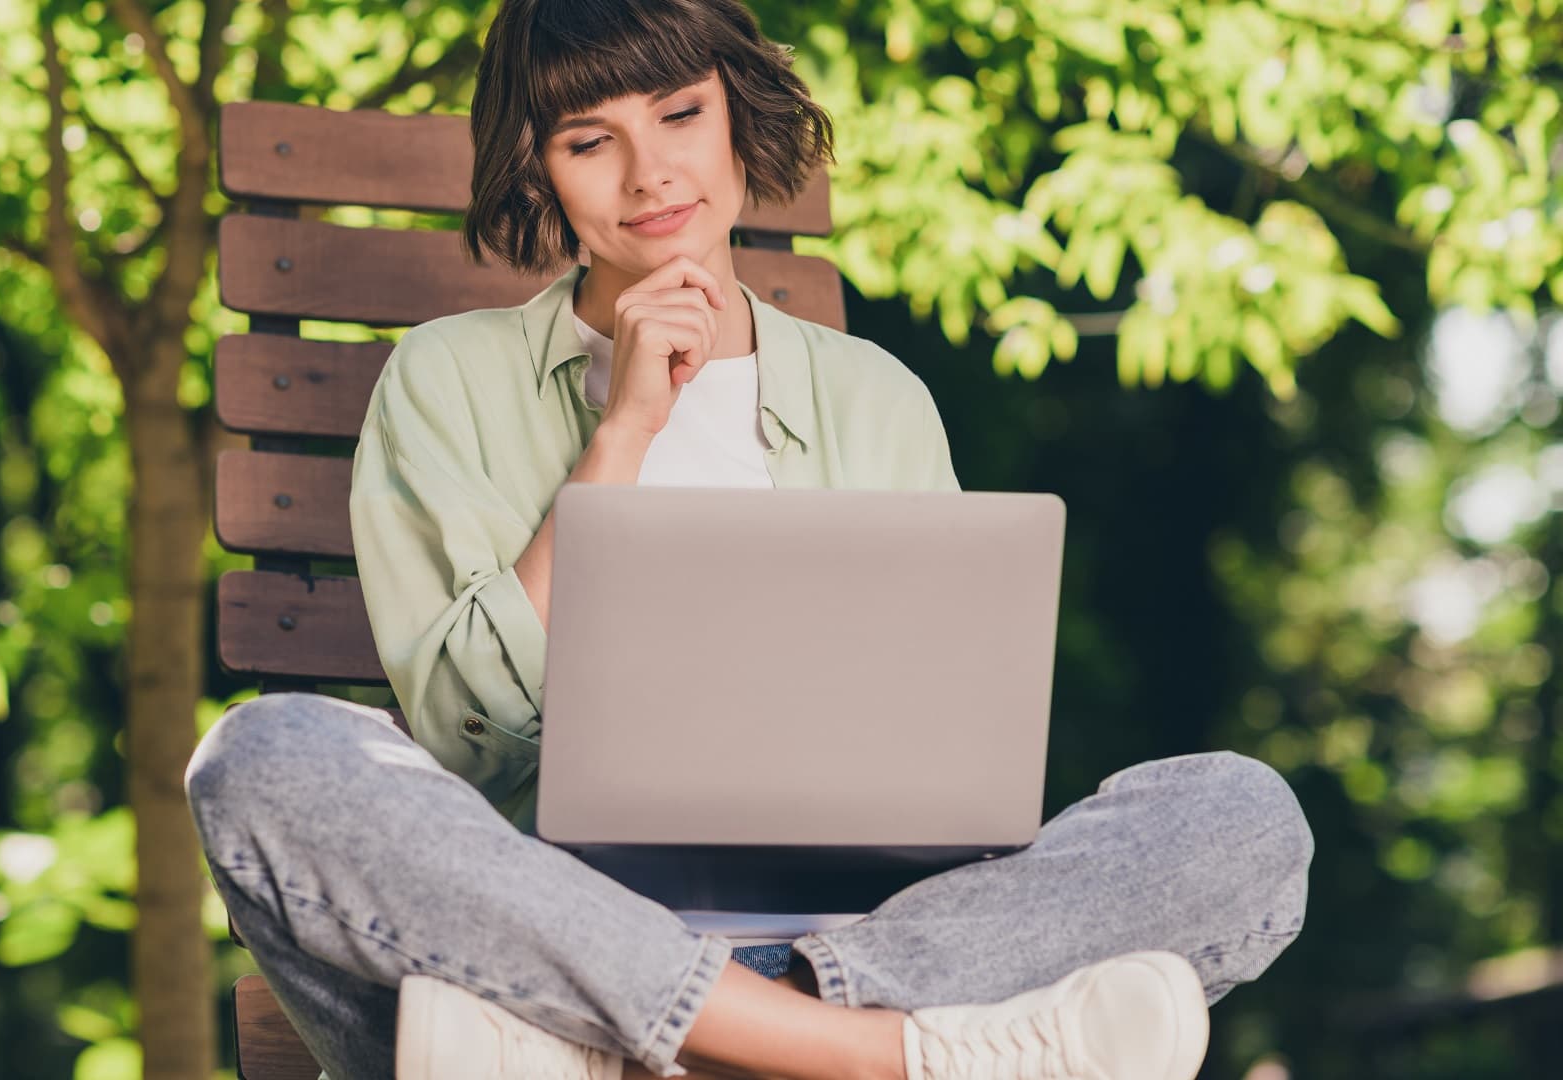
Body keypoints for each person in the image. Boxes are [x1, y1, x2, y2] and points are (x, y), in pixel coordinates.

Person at [184, 0, 1315, 1077]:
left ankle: (655, 1056)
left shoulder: (878, 400)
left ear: (736, 113)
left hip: (849, 945)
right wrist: (621, 435)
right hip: (538, 945)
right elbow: (465, 738)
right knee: (262, 760)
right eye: (591, 141)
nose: (651, 174)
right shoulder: (447, 377)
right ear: (539, 168)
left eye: (680, 114)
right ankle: (868, 1063)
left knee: (1242, 820)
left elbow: (954, 763)